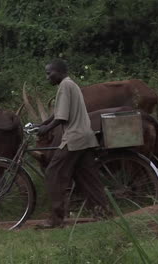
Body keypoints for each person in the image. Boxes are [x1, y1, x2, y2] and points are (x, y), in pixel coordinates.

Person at [37, 59, 110, 228]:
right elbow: (58, 113)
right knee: (88, 178)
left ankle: (56, 218)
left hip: (74, 138)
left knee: (53, 173)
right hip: (85, 137)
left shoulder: (64, 86)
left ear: (59, 72)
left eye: (49, 73)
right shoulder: (71, 85)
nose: (47, 77)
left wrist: (46, 129)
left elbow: (61, 118)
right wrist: (42, 124)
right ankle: (103, 213)